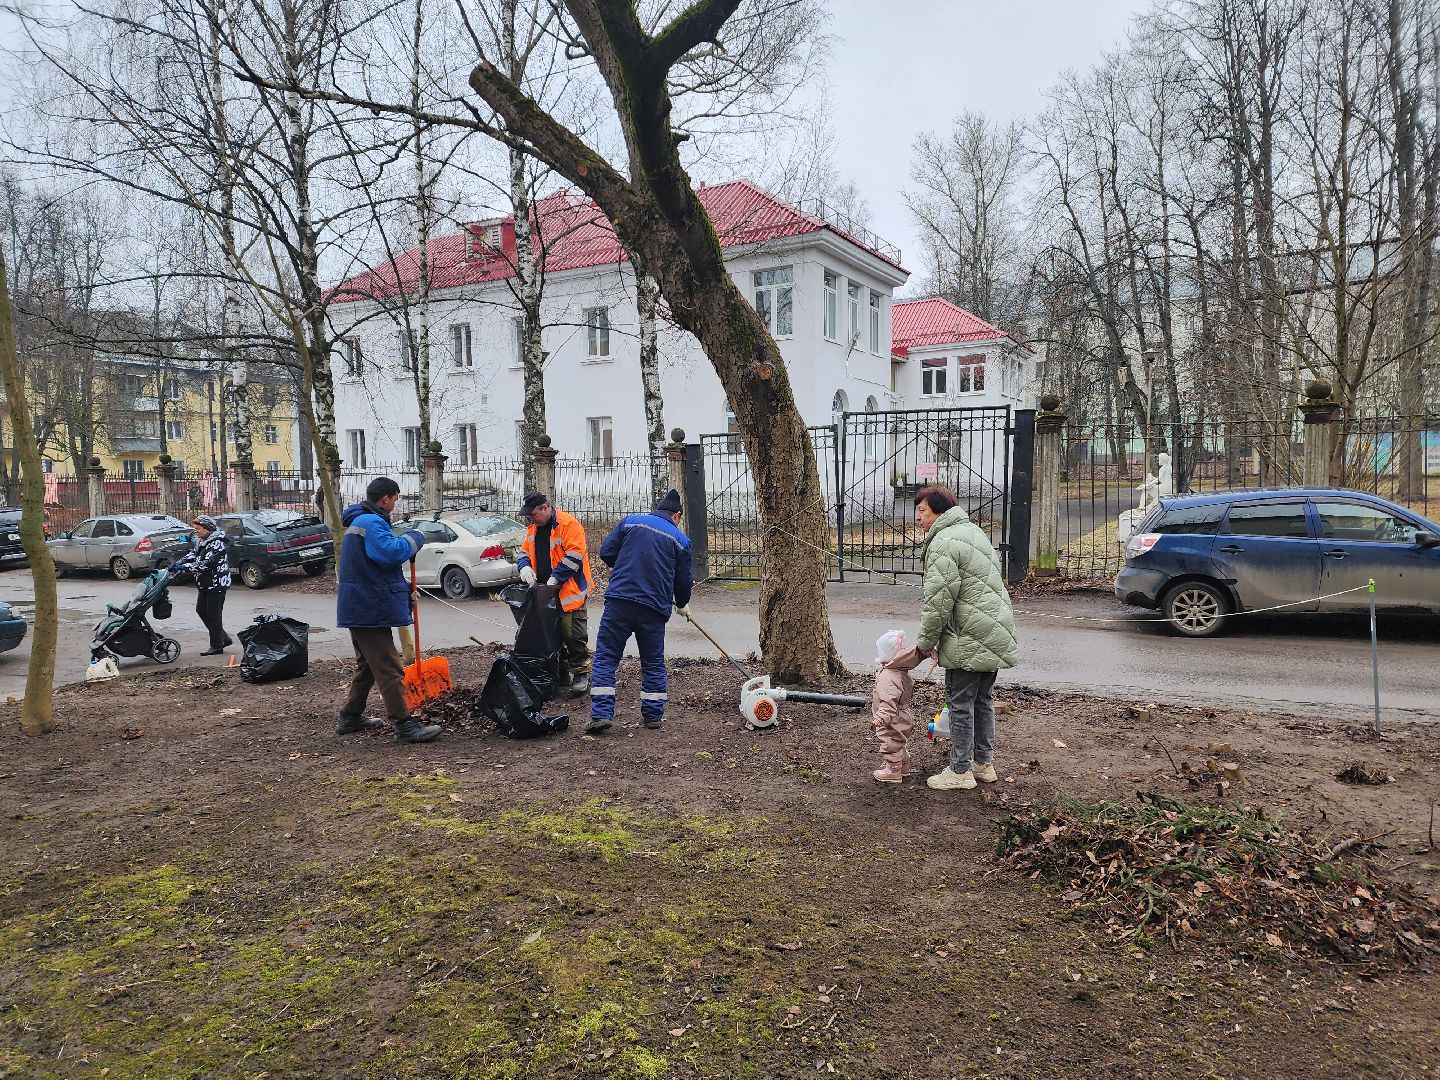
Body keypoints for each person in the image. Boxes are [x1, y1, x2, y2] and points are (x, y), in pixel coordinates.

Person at [913, 485, 1017, 791]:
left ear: (939, 511)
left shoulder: (944, 542)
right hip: (994, 629)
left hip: (968, 634)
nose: (917, 517)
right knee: (982, 700)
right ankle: (983, 764)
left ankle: (959, 771)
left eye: (922, 510)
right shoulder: (973, 532)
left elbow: (938, 601)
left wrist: (925, 643)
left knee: (960, 703)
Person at [336, 476, 440, 744]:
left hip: (361, 606)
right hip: (368, 609)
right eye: (395, 498)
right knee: (389, 667)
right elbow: (390, 553)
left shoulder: (361, 522)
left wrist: (403, 590)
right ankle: (404, 724)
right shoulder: (370, 523)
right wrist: (415, 538)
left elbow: (374, 570)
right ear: (385, 498)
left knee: (369, 666)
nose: (395, 504)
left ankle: (350, 716)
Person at [586, 487, 693, 734]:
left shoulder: (630, 522)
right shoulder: (681, 540)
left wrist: (625, 564)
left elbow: (606, 553)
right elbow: (683, 580)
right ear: (676, 515)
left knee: (606, 657)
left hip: (619, 603)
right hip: (654, 609)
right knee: (653, 662)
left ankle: (601, 714)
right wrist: (683, 602)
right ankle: (653, 716)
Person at [516, 491, 593, 696]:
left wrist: (555, 578)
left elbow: (574, 556)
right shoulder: (533, 528)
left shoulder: (569, 524)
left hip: (569, 590)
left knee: (573, 634)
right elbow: (523, 552)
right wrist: (524, 567)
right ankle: (561, 674)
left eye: (532, 514)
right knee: (551, 635)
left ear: (545, 508)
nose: (530, 519)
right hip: (545, 592)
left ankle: (580, 674)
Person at [169, 514, 232, 656]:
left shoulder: (218, 543)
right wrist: (178, 563)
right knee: (201, 610)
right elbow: (194, 555)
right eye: (195, 528)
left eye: (198, 528)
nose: (195, 531)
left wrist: (184, 568)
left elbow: (206, 564)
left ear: (208, 529)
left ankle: (216, 645)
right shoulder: (201, 540)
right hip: (204, 583)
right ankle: (223, 637)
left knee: (213, 615)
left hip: (216, 584)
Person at [869, 629, 923, 783]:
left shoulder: (889, 676)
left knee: (890, 741)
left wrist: (880, 718)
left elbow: (889, 701)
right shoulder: (900, 670)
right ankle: (903, 765)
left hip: (892, 718)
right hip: (903, 714)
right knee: (899, 741)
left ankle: (893, 770)